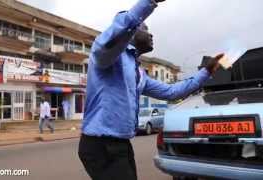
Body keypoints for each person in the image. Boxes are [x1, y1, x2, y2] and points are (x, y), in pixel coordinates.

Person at [78, 0, 224, 180]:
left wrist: (206, 71)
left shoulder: (139, 73)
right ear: (131, 32)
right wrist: (148, 2)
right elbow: (113, 36)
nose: (151, 34)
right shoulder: (109, 56)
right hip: (100, 145)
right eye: (145, 28)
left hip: (121, 144)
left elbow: (172, 92)